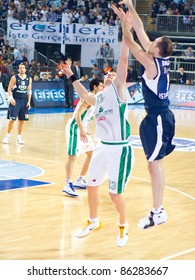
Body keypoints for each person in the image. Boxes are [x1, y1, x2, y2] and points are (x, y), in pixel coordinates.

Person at [61, 35, 134, 247]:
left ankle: (123, 227)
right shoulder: (99, 98)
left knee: (114, 194)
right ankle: (94, 221)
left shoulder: (120, 92)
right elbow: (83, 93)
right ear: (102, 83)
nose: (110, 74)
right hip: (102, 147)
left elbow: (122, 59)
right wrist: (72, 76)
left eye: (113, 73)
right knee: (91, 186)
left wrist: (125, 31)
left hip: (120, 150)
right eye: (107, 74)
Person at [112, 1, 175, 229]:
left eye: (154, 42)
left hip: (159, 118)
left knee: (154, 165)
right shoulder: (160, 58)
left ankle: (157, 212)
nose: (151, 41)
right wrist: (131, 7)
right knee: (154, 165)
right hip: (157, 117)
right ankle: (159, 210)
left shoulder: (151, 63)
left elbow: (130, 40)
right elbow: (140, 31)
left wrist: (122, 21)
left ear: (156, 50)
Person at [62, 77, 103, 197]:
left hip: (82, 129)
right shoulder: (88, 99)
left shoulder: (94, 100)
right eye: (100, 86)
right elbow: (77, 116)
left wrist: (85, 130)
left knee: (92, 154)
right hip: (74, 128)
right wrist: (81, 130)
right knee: (72, 156)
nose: (102, 88)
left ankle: (80, 179)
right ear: (95, 87)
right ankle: (67, 184)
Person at [2, 63, 32, 145]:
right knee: (12, 120)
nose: (22, 69)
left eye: (23, 68)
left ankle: (19, 137)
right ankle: (7, 136)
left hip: (24, 101)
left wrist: (29, 101)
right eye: (20, 68)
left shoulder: (29, 79)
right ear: (18, 70)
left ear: (25, 69)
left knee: (22, 120)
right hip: (16, 100)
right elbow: (9, 89)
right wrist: (10, 98)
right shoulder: (14, 78)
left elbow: (29, 91)